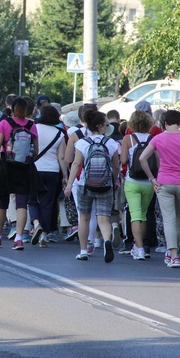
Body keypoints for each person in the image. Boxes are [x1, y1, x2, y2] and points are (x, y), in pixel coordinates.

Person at [139, 109, 180, 268]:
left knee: (168, 219)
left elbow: (142, 158)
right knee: (178, 220)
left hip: (164, 183)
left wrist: (151, 178)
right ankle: (171, 252)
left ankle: (174, 255)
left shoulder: (158, 139)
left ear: (165, 122)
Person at [64, 109, 119, 261]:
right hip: (105, 185)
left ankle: (83, 251)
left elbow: (75, 164)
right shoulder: (111, 143)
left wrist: (69, 185)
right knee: (103, 219)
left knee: (84, 218)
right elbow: (116, 166)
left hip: (84, 184)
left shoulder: (82, 143)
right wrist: (113, 181)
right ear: (101, 126)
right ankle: (107, 240)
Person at [0, 97, 40, 250]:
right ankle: (19, 238)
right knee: (22, 203)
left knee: (2, 203)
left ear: (12, 108)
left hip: (6, 165)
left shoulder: (5, 123)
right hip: (23, 167)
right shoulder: (31, 125)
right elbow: (35, 150)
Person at [28, 105, 68, 247]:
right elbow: (61, 157)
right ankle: (44, 236)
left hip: (36, 169)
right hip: (53, 171)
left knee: (32, 200)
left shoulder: (34, 128)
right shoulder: (60, 133)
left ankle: (36, 223)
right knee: (47, 204)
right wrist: (65, 176)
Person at [120, 110, 156, 260]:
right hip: (148, 181)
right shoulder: (153, 139)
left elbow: (123, 161)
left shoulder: (128, 139)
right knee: (144, 214)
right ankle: (143, 245)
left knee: (135, 214)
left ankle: (138, 248)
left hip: (132, 181)